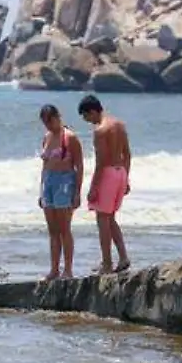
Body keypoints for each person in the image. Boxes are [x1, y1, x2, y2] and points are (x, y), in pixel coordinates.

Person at [77, 94, 131, 274]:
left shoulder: (100, 130)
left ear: (92, 111)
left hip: (107, 174)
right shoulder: (119, 125)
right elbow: (127, 154)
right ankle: (123, 257)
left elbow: (101, 162)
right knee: (111, 218)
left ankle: (107, 264)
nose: (87, 121)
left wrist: (93, 187)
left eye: (86, 116)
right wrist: (127, 178)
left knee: (102, 219)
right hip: (121, 172)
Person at [37, 104, 84, 280]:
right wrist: (41, 190)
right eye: (44, 122)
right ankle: (54, 269)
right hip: (49, 182)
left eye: (50, 120)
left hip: (65, 182)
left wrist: (77, 192)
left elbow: (79, 165)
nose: (48, 125)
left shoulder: (70, 138)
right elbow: (44, 166)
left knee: (64, 228)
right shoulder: (46, 137)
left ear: (58, 117)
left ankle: (68, 270)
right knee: (52, 230)